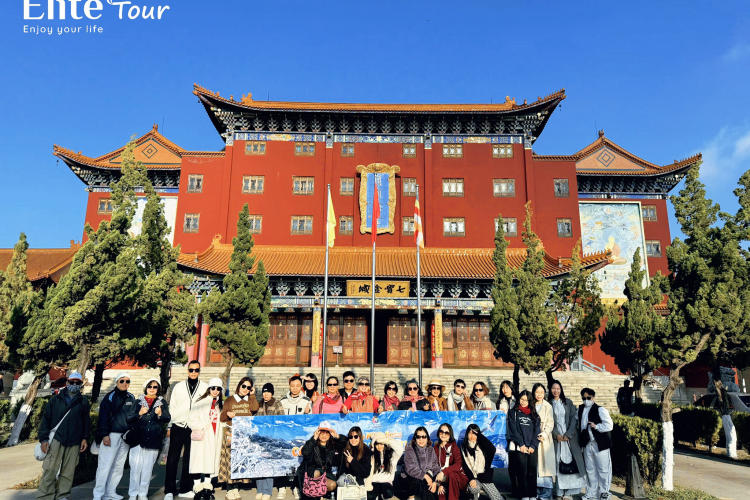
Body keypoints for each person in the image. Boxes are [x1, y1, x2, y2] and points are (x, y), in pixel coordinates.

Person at [36, 371, 91, 500]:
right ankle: (45, 496)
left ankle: (63, 495)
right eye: (72, 382)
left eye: (77, 383)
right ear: (67, 382)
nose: (74, 385)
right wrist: (43, 439)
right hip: (57, 439)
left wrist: (84, 438)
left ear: (81, 384)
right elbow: (46, 420)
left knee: (68, 471)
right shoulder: (55, 399)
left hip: (75, 440)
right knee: (50, 470)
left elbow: (86, 421)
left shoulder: (83, 401)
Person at [165, 360, 208, 500]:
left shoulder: (204, 387)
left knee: (189, 460)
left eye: (196, 370)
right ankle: (169, 490)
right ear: (187, 370)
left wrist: (202, 425)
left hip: (194, 428)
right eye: (191, 370)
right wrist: (170, 425)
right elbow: (172, 407)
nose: (194, 372)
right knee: (173, 459)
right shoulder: (178, 387)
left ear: (199, 371)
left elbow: (207, 407)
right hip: (178, 426)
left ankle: (185, 488)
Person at [93, 372, 138, 500]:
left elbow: (133, 417)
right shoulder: (110, 397)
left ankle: (110, 492)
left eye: (127, 381)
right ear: (116, 382)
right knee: (105, 466)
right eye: (122, 381)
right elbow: (103, 417)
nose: (125, 383)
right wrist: (104, 434)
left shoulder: (131, 397)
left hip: (125, 437)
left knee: (118, 466)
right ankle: (98, 494)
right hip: (111, 435)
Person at [128, 378, 171, 500]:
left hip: (153, 440)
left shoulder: (162, 402)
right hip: (137, 439)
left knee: (147, 469)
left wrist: (160, 413)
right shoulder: (138, 401)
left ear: (158, 389)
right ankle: (133, 494)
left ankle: (142, 494)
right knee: (135, 469)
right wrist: (139, 413)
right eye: (150, 386)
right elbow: (129, 418)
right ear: (146, 388)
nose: (152, 389)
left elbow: (167, 418)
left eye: (155, 387)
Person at [219, 377, 260, 499]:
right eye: (244, 386)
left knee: (240, 461)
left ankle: (236, 488)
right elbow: (222, 417)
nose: (245, 389)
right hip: (231, 433)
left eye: (248, 387)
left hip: (244, 435)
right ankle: (229, 489)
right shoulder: (230, 400)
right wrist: (227, 414)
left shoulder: (250, 400)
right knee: (230, 461)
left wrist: (252, 395)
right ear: (239, 386)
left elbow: (255, 408)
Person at [188, 379, 224, 499]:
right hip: (202, 436)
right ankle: (198, 488)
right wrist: (202, 426)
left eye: (218, 389)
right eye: (213, 388)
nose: (215, 391)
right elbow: (191, 419)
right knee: (198, 461)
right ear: (209, 388)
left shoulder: (220, 404)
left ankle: (208, 487)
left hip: (214, 436)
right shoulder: (200, 401)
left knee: (210, 461)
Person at [549, 380, 585, 500]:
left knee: (572, 464)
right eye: (553, 388)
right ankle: (559, 491)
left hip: (569, 438)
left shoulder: (568, 402)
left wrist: (568, 434)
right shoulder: (549, 404)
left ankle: (569, 492)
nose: (556, 391)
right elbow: (549, 422)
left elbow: (574, 419)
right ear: (550, 390)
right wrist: (556, 435)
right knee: (559, 464)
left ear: (561, 390)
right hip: (557, 440)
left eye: (558, 388)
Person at [578, 388, 613, 500]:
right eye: (583, 398)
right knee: (590, 469)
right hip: (587, 443)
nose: (586, 400)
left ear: (593, 397)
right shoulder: (580, 409)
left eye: (588, 398)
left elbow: (609, 425)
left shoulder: (600, 409)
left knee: (603, 469)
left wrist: (596, 426)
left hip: (600, 443)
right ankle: (591, 492)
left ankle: (604, 492)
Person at [279, 376, 310, 499]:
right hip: (286, 435)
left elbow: (310, 420)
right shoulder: (283, 401)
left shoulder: (306, 400)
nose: (295, 388)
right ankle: (282, 486)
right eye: (292, 386)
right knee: (284, 460)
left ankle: (296, 486)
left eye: (297, 386)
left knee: (298, 462)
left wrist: (307, 413)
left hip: (300, 436)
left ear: (301, 386)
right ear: (289, 386)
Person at [506, 390, 540, 500]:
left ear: (530, 401)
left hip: (532, 447)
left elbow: (537, 431)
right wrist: (521, 444)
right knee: (522, 472)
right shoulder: (513, 412)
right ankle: (524, 495)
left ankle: (532, 494)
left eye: (526, 400)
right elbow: (513, 430)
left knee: (532, 472)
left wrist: (533, 446)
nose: (523, 402)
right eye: (522, 399)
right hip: (520, 447)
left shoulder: (534, 414)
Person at [299, 424, 343, 500]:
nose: (324, 436)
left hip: (325, 474)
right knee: (316, 472)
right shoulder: (313, 443)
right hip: (312, 473)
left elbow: (345, 445)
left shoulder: (332, 445)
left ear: (330, 435)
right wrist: (313, 439)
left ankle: (319, 493)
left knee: (332, 485)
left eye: (327, 433)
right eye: (322, 433)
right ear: (318, 434)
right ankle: (315, 496)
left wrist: (338, 437)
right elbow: (305, 452)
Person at [255, 383, 284, 500]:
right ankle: (260, 489)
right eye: (264, 392)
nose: (266, 394)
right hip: (260, 439)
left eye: (268, 392)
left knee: (268, 465)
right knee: (259, 463)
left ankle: (267, 491)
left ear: (272, 393)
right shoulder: (259, 404)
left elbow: (281, 419)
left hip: (272, 438)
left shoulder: (277, 403)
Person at [460, 424, 503, 500]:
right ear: (467, 434)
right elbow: (465, 465)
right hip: (474, 478)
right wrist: (471, 478)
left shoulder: (482, 445)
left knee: (497, 498)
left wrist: (479, 435)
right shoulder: (463, 447)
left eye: (474, 433)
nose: (472, 436)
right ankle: (475, 496)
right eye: (470, 433)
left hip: (485, 478)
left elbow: (492, 449)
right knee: (473, 489)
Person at [399, 426, 439, 500]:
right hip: (410, 479)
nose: (421, 439)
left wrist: (435, 482)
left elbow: (435, 467)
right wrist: (425, 476)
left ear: (427, 438)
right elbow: (410, 469)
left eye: (424, 437)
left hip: (426, 479)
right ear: (415, 438)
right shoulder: (410, 449)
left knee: (431, 489)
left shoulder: (430, 449)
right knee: (420, 482)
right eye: (418, 437)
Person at [532, 383, 555, 500]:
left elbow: (550, 423)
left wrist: (544, 434)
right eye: (537, 392)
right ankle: (535, 492)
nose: (539, 394)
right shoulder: (531, 405)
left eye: (541, 392)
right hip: (532, 439)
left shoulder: (548, 406)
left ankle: (546, 495)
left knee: (546, 467)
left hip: (544, 440)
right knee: (535, 467)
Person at [433, 423, 468, 500]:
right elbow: (434, 466)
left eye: (446, 433)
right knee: (441, 491)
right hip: (442, 479)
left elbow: (458, 464)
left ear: (450, 435)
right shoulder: (436, 448)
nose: (443, 434)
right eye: (441, 431)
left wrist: (444, 472)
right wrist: (440, 484)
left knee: (452, 475)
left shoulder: (454, 447)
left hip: (457, 478)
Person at [365, 432, 404, 500]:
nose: (379, 446)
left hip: (386, 483)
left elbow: (400, 449)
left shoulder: (392, 456)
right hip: (374, 482)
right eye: (377, 444)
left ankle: (382, 497)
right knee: (370, 496)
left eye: (381, 444)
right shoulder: (371, 455)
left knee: (388, 492)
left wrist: (386, 440)